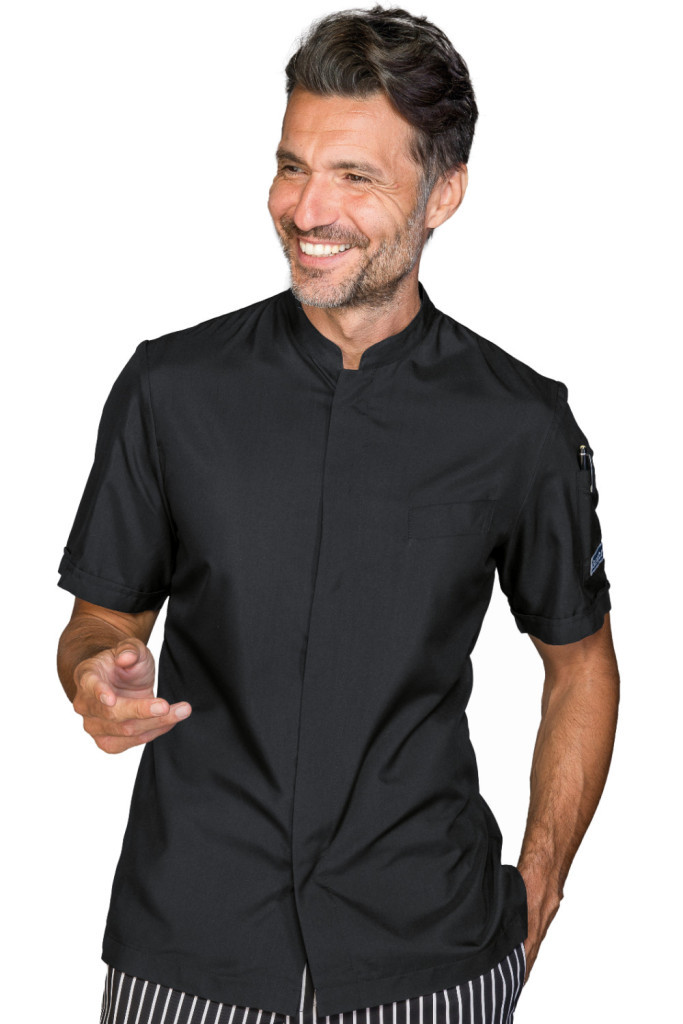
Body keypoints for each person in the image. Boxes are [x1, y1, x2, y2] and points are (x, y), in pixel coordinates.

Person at [56, 7, 620, 1024]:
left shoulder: (519, 423)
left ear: (442, 193)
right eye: (291, 165)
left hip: (430, 957)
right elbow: (100, 621)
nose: (304, 208)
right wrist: (97, 674)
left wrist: (538, 887)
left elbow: (579, 663)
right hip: (188, 948)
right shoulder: (169, 388)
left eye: (354, 176)